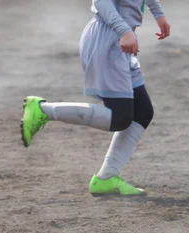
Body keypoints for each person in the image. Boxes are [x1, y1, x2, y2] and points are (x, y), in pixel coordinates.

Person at [21, 0, 170, 196]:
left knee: (142, 112)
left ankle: (106, 178)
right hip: (108, 39)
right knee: (121, 117)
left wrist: (158, 13)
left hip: (121, 41)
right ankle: (43, 110)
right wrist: (124, 30)